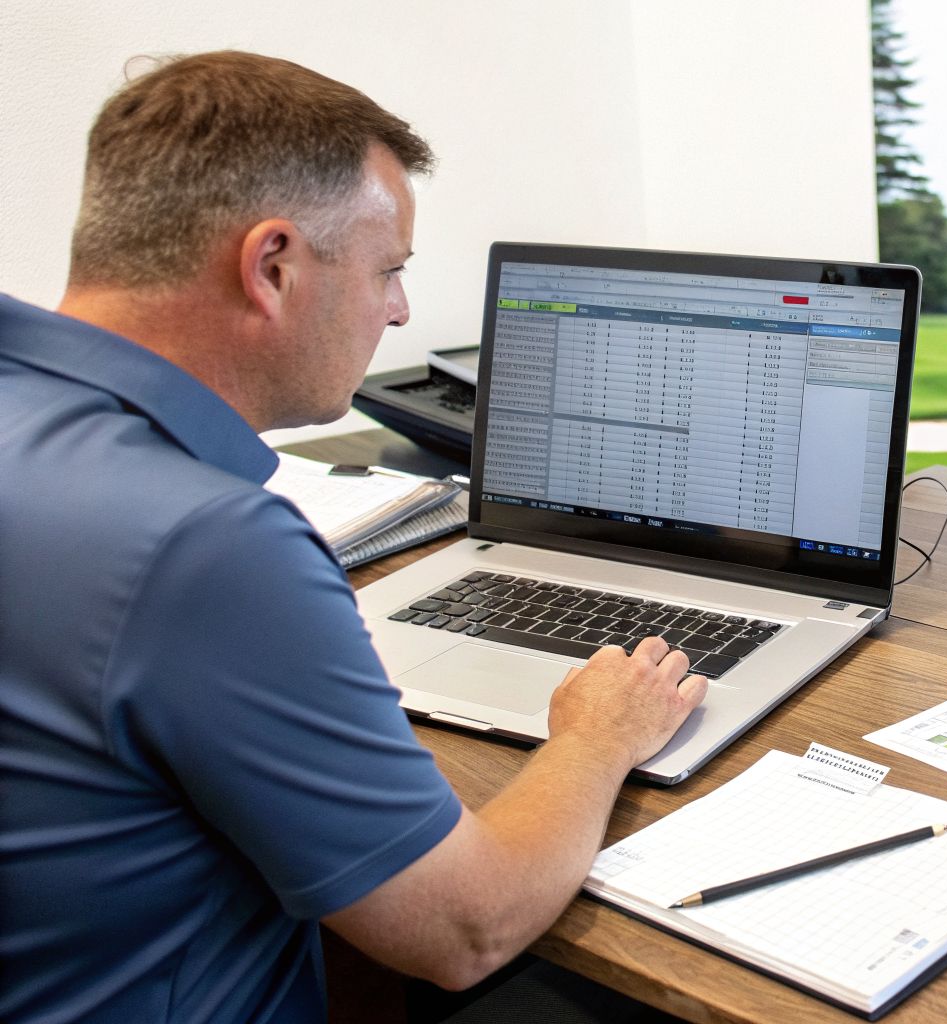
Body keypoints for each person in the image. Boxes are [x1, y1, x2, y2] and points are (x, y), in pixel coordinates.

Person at [0, 52, 706, 1023]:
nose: (401, 310)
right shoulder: (205, 545)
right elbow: (466, 928)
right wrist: (599, 734)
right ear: (273, 265)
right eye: (390, 268)